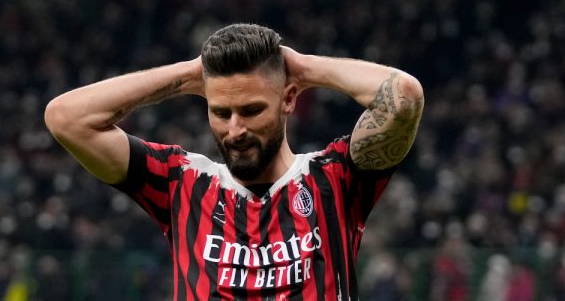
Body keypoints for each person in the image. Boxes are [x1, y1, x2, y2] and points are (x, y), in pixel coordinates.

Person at [44, 23, 424, 300]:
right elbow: (66, 118)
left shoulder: (335, 179)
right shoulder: (181, 182)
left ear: (289, 99)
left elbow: (403, 97)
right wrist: (190, 74)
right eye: (221, 111)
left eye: (251, 110)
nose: (235, 129)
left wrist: (305, 68)